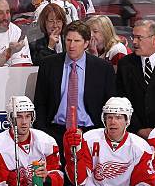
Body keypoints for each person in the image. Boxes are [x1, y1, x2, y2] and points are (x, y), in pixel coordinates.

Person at [33, 20, 115, 156]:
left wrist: (101, 132)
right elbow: (40, 103)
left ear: (86, 43)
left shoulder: (103, 68)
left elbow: (109, 104)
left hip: (91, 133)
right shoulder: (49, 65)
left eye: (76, 41)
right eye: (68, 40)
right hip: (55, 132)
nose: (71, 46)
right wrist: (44, 132)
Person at [62, 97, 155, 186]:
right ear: (104, 119)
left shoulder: (140, 147)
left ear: (127, 121)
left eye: (118, 117)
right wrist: (72, 152)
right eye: (109, 117)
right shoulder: (88, 139)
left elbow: (144, 184)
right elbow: (78, 179)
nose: (113, 122)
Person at [0, 96, 64, 186]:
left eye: (27, 116)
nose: (24, 122)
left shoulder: (47, 141)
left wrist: (48, 179)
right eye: (19, 117)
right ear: (10, 118)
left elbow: (58, 176)